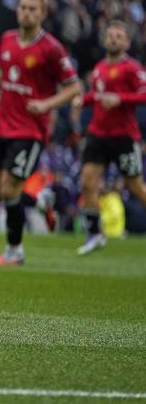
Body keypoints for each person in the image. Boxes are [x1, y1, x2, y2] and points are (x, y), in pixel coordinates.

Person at [0, 0, 82, 266]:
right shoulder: (7, 39)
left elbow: (75, 87)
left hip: (30, 131)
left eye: (32, 9)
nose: (26, 13)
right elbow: (8, 75)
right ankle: (40, 199)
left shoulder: (51, 48)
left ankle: (14, 250)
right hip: (2, 125)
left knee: (9, 190)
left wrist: (46, 104)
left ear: (42, 14)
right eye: (23, 7)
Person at [72, 20, 146, 255]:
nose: (113, 39)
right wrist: (83, 101)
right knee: (87, 182)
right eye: (110, 35)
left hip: (124, 137)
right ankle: (95, 234)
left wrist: (120, 99)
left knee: (136, 188)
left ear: (127, 42)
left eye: (118, 36)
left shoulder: (132, 68)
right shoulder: (99, 68)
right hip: (98, 134)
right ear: (104, 39)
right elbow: (98, 94)